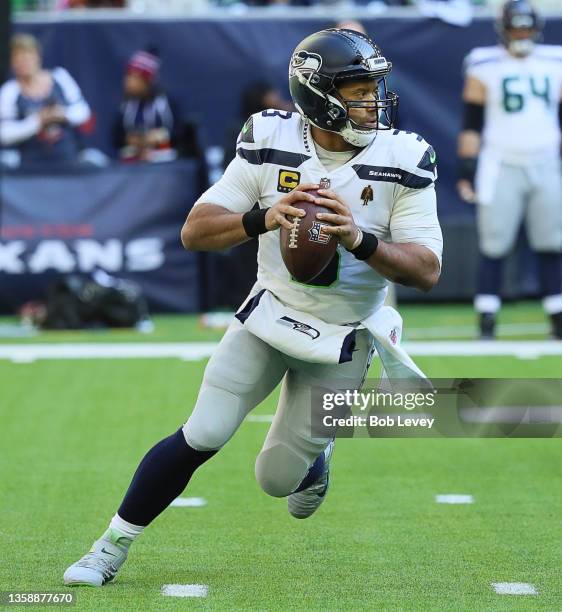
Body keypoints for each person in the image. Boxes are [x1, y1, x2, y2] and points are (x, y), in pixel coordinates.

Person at [63, 28, 442, 587]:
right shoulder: (270, 138)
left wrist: (359, 239)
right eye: (358, 89)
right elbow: (195, 231)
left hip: (343, 335)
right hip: (270, 314)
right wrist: (263, 217)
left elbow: (428, 269)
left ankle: (315, 460)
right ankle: (109, 546)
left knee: (275, 480)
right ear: (317, 95)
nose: (372, 101)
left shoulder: (403, 155)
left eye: (374, 87)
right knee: (203, 432)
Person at [457, 0, 562, 339]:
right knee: (494, 244)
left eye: (525, 28)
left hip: (547, 160)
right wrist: (467, 169)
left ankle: (557, 320)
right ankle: (487, 320)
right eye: (515, 27)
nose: (521, 34)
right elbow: (472, 123)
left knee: (552, 242)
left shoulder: (555, 61)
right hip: (500, 162)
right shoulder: (482, 62)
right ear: (503, 29)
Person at [0, 33, 92, 166]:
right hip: (29, 166)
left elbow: (83, 113)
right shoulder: (9, 90)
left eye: (28, 56)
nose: (24, 62)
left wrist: (62, 114)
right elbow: (4, 134)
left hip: (68, 160)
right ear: (12, 63)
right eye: (19, 58)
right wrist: (37, 121)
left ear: (38, 56)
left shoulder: (60, 77)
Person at [113, 50, 177, 163]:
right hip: (134, 167)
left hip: (166, 164)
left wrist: (161, 136)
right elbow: (116, 137)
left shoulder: (166, 104)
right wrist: (129, 139)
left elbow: (180, 133)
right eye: (128, 76)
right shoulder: (126, 106)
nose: (128, 82)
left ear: (148, 81)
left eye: (135, 78)